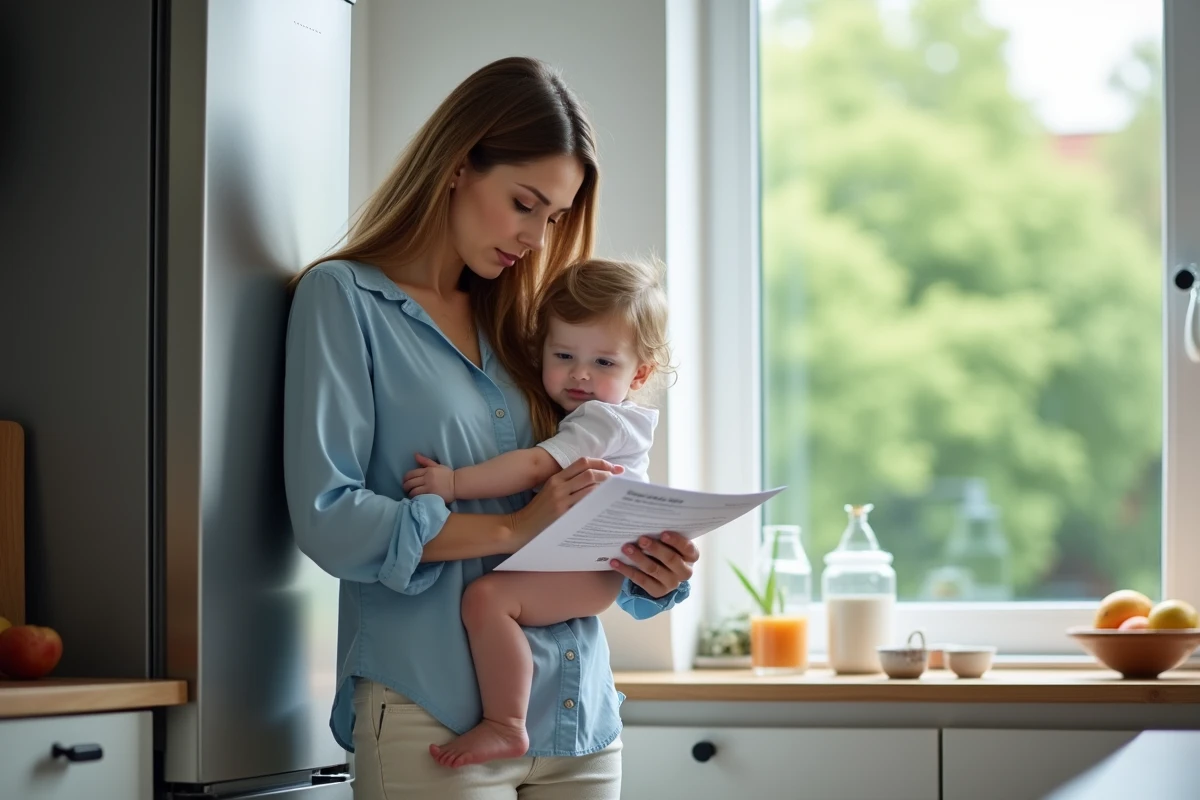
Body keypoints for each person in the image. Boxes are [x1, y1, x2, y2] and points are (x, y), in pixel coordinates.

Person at [282, 56, 698, 800]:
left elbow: (584, 492)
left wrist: (650, 569)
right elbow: (330, 520)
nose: (538, 238)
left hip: (576, 719)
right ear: (457, 166)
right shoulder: (343, 299)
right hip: (431, 716)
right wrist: (508, 531)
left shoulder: (531, 325)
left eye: (556, 217)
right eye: (524, 203)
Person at [401, 257, 672, 768]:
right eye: (564, 354)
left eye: (604, 364)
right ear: (540, 350)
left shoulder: (601, 421)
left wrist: (454, 482)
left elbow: (531, 466)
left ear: (640, 373)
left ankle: (505, 724)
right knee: (491, 600)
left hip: (592, 566)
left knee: (486, 600)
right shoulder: (605, 418)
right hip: (591, 563)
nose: (581, 375)